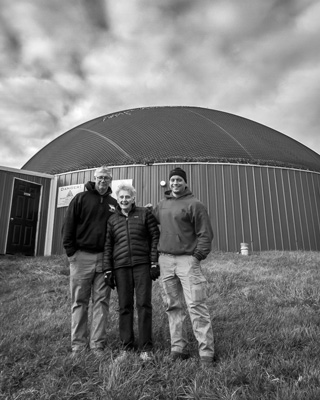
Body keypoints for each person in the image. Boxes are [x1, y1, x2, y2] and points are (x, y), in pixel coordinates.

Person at [153, 167, 215, 367]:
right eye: (173, 180)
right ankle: (177, 348)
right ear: (168, 183)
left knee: (196, 305)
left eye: (179, 180)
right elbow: (150, 219)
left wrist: (197, 256)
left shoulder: (195, 205)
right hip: (166, 261)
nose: (175, 183)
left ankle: (206, 352)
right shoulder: (162, 205)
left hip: (187, 261)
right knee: (173, 306)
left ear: (185, 183)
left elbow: (205, 233)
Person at [62, 165, 118, 356]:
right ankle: (78, 345)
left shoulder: (113, 203)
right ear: (94, 178)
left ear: (111, 181)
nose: (103, 181)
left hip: (104, 259)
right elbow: (68, 225)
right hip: (81, 257)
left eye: (106, 178)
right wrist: (71, 253)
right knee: (80, 301)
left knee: (101, 302)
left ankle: (97, 345)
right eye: (100, 177)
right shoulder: (80, 198)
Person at [103, 183, 160, 361]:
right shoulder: (112, 220)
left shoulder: (144, 214)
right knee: (124, 307)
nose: (124, 200)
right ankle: (126, 347)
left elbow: (154, 237)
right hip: (121, 267)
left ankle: (146, 348)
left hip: (142, 265)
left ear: (133, 198)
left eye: (128, 197)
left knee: (144, 305)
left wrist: (153, 262)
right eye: (121, 197)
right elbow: (108, 245)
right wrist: (107, 269)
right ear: (117, 200)